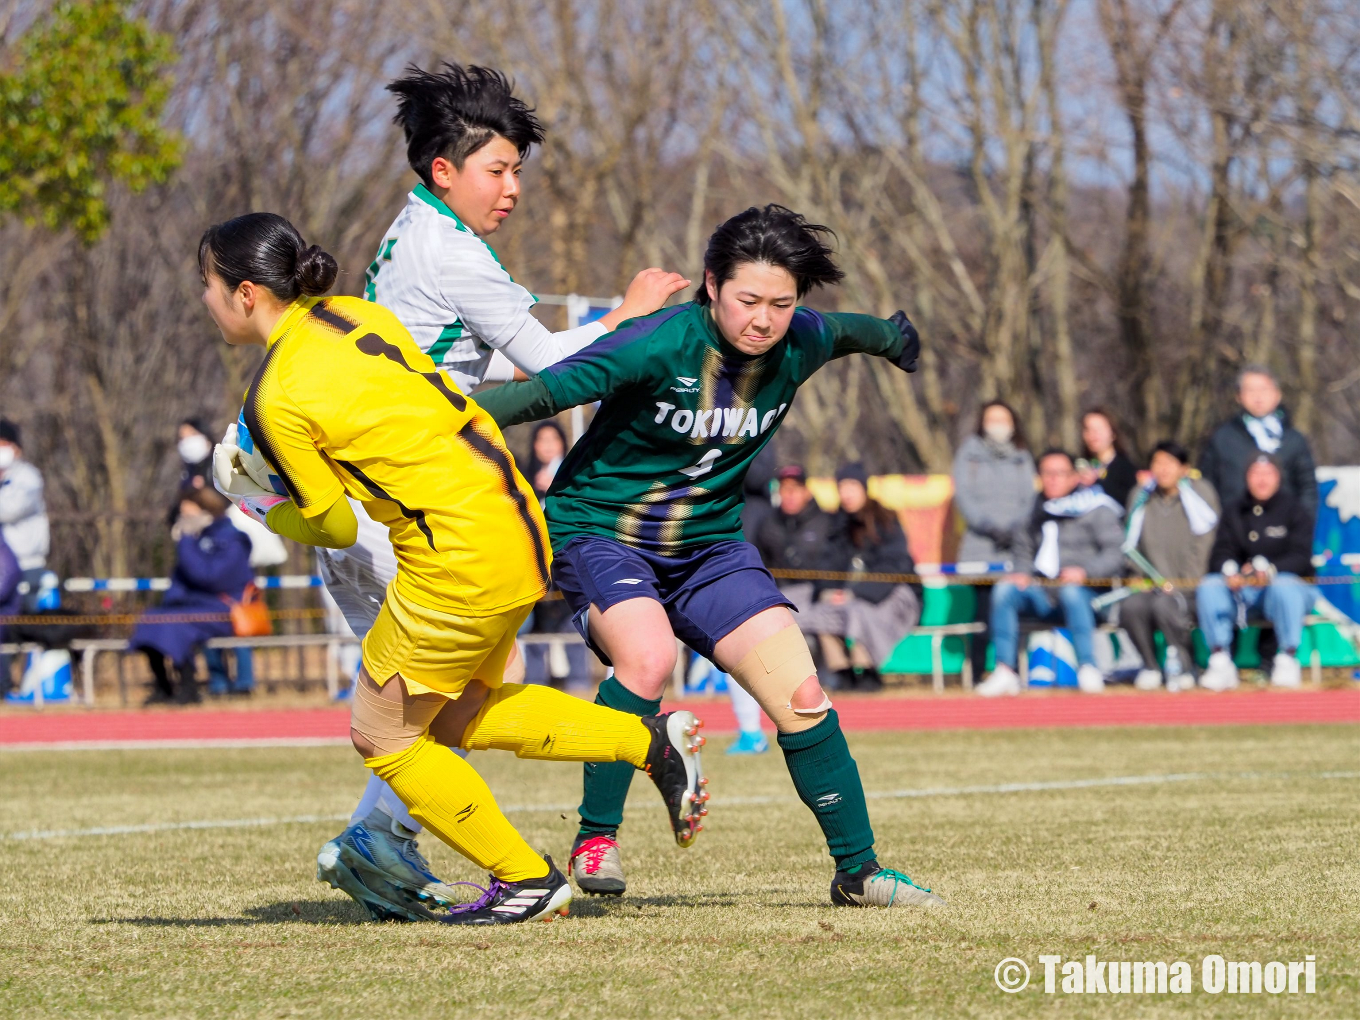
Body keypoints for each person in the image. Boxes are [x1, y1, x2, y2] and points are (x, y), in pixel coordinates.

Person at [203, 212, 705, 926]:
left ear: (246, 293)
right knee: (460, 713)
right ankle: (646, 742)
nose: (205, 298)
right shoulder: (358, 314)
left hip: (454, 554)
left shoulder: (275, 393)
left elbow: (335, 523)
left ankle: (527, 879)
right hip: (513, 520)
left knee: (382, 735)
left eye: (208, 284)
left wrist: (257, 504)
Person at [288, 63, 689, 917]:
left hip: (381, 509)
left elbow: (496, 364)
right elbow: (558, 370)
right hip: (410, 519)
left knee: (442, 707)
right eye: (496, 170)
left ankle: (384, 844)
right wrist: (629, 315)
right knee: (431, 719)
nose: (511, 189)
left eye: (517, 172)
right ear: (444, 170)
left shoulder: (416, 232)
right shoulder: (453, 254)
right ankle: (519, 846)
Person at [478, 203, 943, 908]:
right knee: (647, 657)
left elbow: (854, 331)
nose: (764, 319)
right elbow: (544, 391)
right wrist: (426, 414)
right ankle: (596, 838)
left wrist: (896, 339)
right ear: (711, 285)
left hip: (709, 548)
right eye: (748, 300)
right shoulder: (654, 342)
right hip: (601, 530)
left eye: (781, 304)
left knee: (804, 694)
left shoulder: (801, 339)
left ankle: (860, 874)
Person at [976, 449, 1125, 697]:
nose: (1053, 479)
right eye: (1047, 473)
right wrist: (1022, 573)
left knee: (1071, 592)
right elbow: (1022, 551)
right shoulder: (1033, 511)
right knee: (1005, 589)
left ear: (1074, 477)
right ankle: (1005, 670)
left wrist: (1086, 572)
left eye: (1060, 473)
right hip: (1043, 595)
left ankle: (1088, 667)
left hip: (1089, 597)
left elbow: (1116, 553)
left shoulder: (1097, 508)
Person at [1196, 454, 1315, 691]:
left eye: (1268, 473)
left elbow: (1301, 557)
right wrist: (1230, 570)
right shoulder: (1234, 510)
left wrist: (1271, 571)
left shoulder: (1295, 510)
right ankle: (1220, 659)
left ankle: (1288, 657)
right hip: (1243, 592)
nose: (1262, 480)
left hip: (1286, 591)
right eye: (1256, 474)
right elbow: (1221, 551)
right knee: (1209, 586)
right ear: (1246, 477)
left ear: (1278, 477)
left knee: (1285, 585)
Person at [798, 463, 918, 691]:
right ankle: (841, 670)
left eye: (852, 486)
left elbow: (894, 565)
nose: (847, 493)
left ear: (864, 488)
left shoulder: (885, 520)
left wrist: (856, 592)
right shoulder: (836, 524)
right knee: (821, 611)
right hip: (847, 595)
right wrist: (830, 591)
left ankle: (867, 669)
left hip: (891, 593)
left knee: (861, 612)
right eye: (842, 487)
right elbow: (826, 565)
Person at [130, 487, 254, 705]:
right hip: (193, 608)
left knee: (175, 624)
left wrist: (186, 541)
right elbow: (180, 583)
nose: (184, 520)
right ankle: (164, 687)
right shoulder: (197, 539)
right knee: (151, 618)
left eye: (189, 515)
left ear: (207, 511)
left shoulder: (231, 539)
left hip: (224, 609)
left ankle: (188, 688)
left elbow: (210, 578)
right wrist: (171, 603)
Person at [1118, 441, 1219, 691]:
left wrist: (1183, 582)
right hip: (1153, 585)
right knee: (1131, 606)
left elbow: (1205, 544)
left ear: (1184, 468)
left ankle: (1186, 666)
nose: (1162, 470)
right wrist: (1136, 575)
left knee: (1167, 606)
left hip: (1191, 587)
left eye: (1169, 464)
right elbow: (1132, 543)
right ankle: (1150, 665)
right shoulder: (1140, 497)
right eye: (1157, 463)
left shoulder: (1200, 496)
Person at [952, 400, 1036, 678]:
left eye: (1003, 419)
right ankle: (979, 672)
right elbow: (964, 495)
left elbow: (1029, 498)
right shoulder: (970, 454)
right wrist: (988, 526)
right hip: (981, 544)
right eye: (992, 419)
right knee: (984, 610)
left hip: (1016, 546)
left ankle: (1012, 669)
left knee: (1013, 604)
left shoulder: (1023, 455)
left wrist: (1016, 529)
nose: (998, 425)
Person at [521, 421, 591, 692]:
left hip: (567, 564)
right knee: (535, 632)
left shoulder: (575, 476)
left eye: (553, 440)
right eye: (542, 441)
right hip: (535, 568)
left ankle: (580, 687)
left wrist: (558, 488)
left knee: (573, 625)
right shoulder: (522, 478)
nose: (548, 447)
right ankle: (534, 688)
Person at [1199, 365, 1317, 522]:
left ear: (1277, 394)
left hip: (1284, 531)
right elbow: (1206, 486)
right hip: (1235, 530)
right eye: (1250, 390)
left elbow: (1308, 489)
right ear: (1239, 396)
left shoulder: (1293, 440)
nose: (1258, 397)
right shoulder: (1222, 438)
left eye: (1263, 389)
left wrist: (1301, 528)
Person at [0, 418, 50, 609]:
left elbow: (11, 509)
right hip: (1, 565)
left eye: (4, 444)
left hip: (26, 562)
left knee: (28, 618)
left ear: (16, 448)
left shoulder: (28, 477)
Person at [1077, 408, 1139, 508]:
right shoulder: (1081, 466)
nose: (1092, 435)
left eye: (1099, 429)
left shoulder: (1125, 468)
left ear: (1113, 434)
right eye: (1088, 429)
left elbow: (1128, 501)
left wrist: (1097, 483)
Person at [176, 419, 214, 491]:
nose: (187, 441)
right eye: (182, 437)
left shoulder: (221, 463)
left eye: (193, 434)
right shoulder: (185, 473)